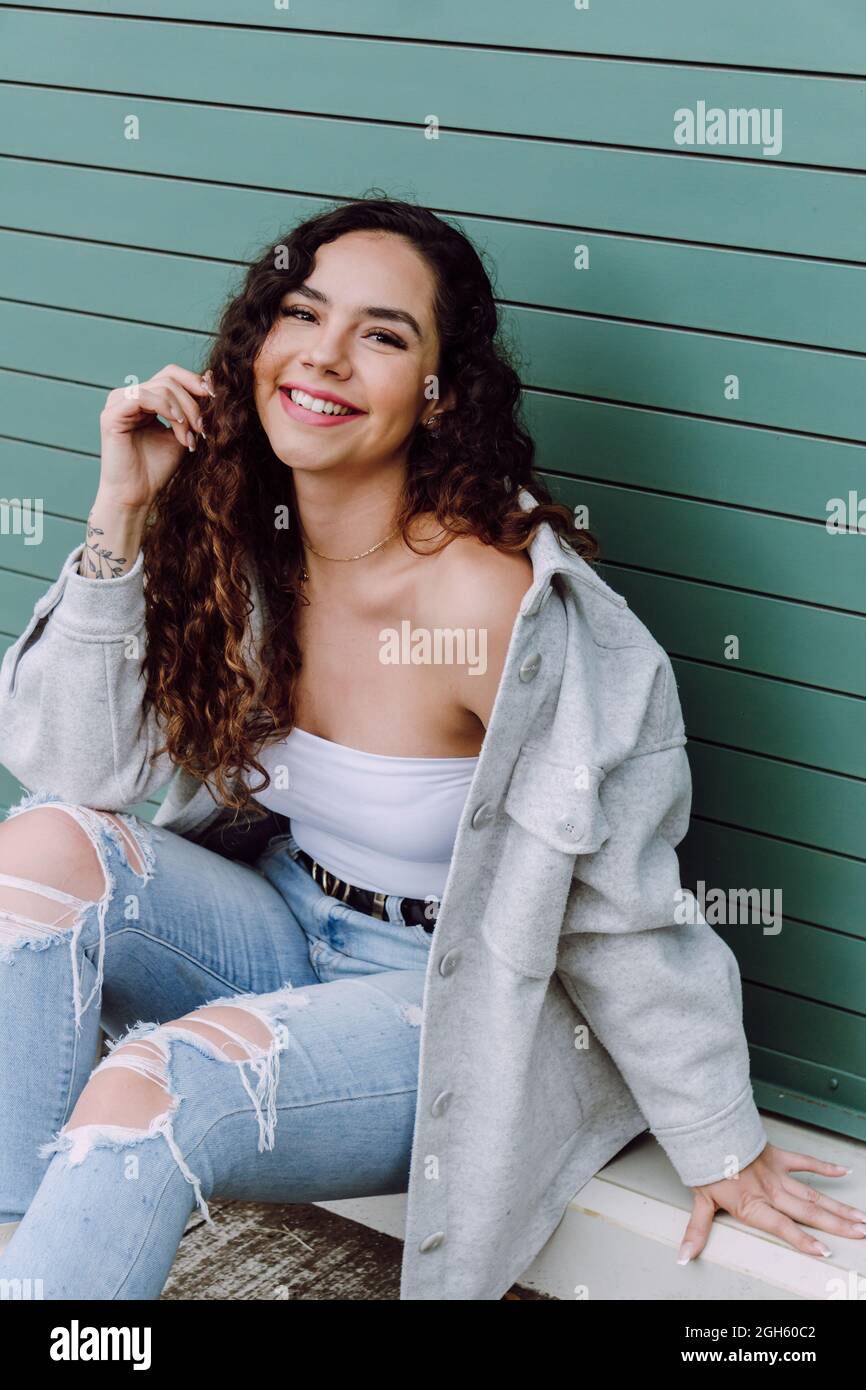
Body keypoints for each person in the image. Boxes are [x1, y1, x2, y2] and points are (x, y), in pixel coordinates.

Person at [0, 198, 861, 1301]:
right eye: (300, 313)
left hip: (455, 1001)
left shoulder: (494, 603)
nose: (324, 353)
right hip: (284, 921)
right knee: (34, 853)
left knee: (155, 1085)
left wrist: (717, 1136)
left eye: (382, 334)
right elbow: (79, 773)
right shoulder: (236, 531)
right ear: (253, 345)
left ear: (438, 392)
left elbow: (617, 902)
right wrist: (120, 510)